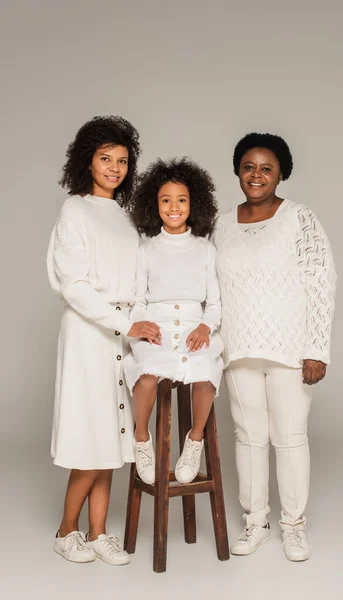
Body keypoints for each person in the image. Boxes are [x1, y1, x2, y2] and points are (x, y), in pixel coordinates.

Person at [212, 132, 337, 561]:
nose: (257, 175)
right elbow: (212, 289)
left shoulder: (300, 219)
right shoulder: (221, 225)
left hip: (288, 350)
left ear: (282, 172)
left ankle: (294, 526)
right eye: (249, 167)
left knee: (289, 438)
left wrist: (316, 348)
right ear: (237, 172)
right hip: (238, 348)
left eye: (267, 168)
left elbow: (321, 283)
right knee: (248, 438)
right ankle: (256, 522)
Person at [47, 116, 160, 565]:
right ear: (86, 161)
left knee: (113, 440)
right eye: (105, 158)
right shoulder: (74, 210)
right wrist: (123, 323)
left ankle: (97, 533)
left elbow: (138, 279)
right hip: (89, 334)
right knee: (91, 438)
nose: (114, 168)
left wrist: (140, 324)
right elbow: (73, 286)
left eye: (122, 161)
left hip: (122, 336)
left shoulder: (127, 216)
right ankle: (65, 530)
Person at [123, 158, 223, 485]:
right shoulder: (146, 250)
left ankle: (194, 440)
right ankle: (142, 439)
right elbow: (138, 300)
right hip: (157, 329)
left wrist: (205, 327)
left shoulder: (205, 250)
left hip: (196, 329)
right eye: (166, 200)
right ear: (155, 205)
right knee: (148, 375)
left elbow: (215, 303)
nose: (174, 206)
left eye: (181, 199)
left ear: (194, 204)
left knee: (207, 371)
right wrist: (141, 324)